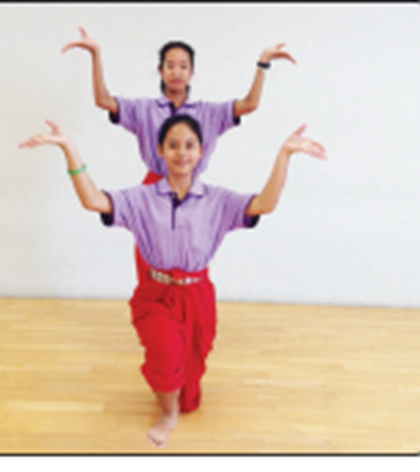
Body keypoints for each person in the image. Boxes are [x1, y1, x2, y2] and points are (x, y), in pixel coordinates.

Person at [18, 115, 327, 448]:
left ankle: (177, 398)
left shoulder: (218, 200)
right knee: (164, 356)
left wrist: (284, 155)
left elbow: (265, 203)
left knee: (190, 391)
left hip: (198, 296)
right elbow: (93, 200)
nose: (182, 152)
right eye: (173, 145)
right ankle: (168, 414)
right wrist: (69, 148)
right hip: (156, 295)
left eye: (189, 145)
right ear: (160, 151)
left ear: (201, 152)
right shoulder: (141, 198)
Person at [61, 29, 297, 280]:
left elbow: (249, 104)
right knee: (150, 265)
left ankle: (189, 301)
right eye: (170, 65)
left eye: (184, 66)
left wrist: (263, 64)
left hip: (193, 191)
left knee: (193, 258)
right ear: (160, 71)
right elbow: (103, 100)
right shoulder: (144, 109)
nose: (177, 72)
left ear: (192, 72)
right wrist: (95, 54)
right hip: (154, 188)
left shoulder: (208, 112)